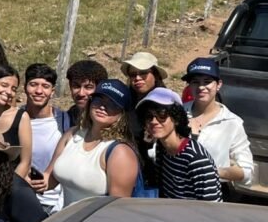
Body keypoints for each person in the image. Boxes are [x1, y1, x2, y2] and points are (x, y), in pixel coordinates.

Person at [38, 79, 139, 207]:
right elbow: (49, 180)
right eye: (98, 100)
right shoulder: (72, 134)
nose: (103, 107)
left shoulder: (120, 152)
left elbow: (118, 208)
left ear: (121, 115)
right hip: (65, 220)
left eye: (112, 105)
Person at [182, 57, 253, 197]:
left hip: (213, 193)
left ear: (218, 84)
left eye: (207, 82)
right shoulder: (178, 114)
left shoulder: (232, 122)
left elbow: (247, 171)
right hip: (177, 190)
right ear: (189, 86)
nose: (201, 87)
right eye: (195, 82)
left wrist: (214, 171)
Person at [137, 88, 222, 202]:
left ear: (176, 118)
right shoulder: (161, 148)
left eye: (161, 115)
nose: (154, 121)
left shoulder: (196, 159)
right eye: (148, 116)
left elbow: (213, 207)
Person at [21, 63, 71, 214]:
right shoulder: (14, 119)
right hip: (22, 199)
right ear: (24, 87)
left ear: (52, 91)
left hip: (57, 204)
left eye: (45, 86)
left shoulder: (64, 121)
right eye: (33, 84)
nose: (39, 91)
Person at [120, 51, 167, 185]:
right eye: (133, 74)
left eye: (143, 73)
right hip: (126, 169)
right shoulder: (125, 103)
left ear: (156, 75)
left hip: (156, 175)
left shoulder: (166, 104)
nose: (138, 78)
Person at [65, 60, 109, 128]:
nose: (81, 93)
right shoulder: (66, 118)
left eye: (88, 87)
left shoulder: (109, 120)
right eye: (76, 86)